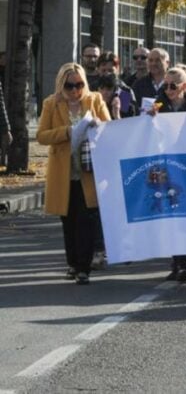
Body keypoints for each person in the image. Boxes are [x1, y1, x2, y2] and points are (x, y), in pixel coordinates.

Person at [37, 63, 110, 285]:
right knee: (68, 220)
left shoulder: (94, 100)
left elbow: (110, 128)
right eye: (70, 85)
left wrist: (98, 125)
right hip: (64, 172)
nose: (75, 90)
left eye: (79, 84)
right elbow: (42, 136)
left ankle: (83, 267)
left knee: (86, 220)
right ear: (61, 84)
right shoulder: (51, 103)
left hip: (89, 171)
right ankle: (72, 263)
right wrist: (67, 132)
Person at [147, 64, 186, 281]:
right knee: (171, 213)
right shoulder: (158, 105)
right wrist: (149, 117)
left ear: (184, 86)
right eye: (166, 85)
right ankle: (177, 262)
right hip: (166, 165)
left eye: (173, 85)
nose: (169, 89)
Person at [96, 52, 136, 118]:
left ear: (117, 70)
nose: (107, 74)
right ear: (98, 70)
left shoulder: (124, 92)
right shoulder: (92, 88)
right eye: (103, 70)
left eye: (110, 70)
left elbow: (129, 120)